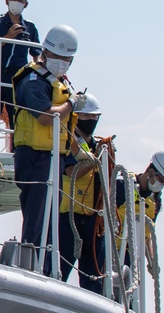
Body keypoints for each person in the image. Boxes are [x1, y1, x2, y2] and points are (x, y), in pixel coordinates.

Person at [12, 24, 80, 273]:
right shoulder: (32, 80)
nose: (62, 62)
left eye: (67, 59)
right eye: (58, 57)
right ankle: (31, 266)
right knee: (36, 216)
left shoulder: (54, 81)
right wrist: (71, 104)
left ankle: (47, 267)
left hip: (53, 157)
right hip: (34, 156)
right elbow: (45, 117)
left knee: (52, 216)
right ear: (46, 52)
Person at [58, 94, 105, 292]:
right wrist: (94, 163)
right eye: (88, 118)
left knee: (93, 276)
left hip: (93, 219)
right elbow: (71, 172)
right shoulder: (69, 142)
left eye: (95, 118)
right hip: (70, 216)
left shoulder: (98, 146)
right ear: (77, 117)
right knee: (60, 268)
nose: (92, 122)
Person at [0, 0, 40, 137]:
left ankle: (17, 151)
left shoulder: (30, 27)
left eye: (20, 0)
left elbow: (37, 54)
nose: (16, 2)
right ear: (6, 1)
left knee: (16, 115)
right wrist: (8, 37)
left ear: (26, 4)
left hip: (17, 77)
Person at [115, 152, 164, 289]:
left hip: (133, 256)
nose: (161, 185)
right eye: (162, 180)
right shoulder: (122, 186)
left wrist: (152, 261)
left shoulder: (155, 202)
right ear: (151, 171)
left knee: (130, 295)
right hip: (113, 251)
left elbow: (147, 234)